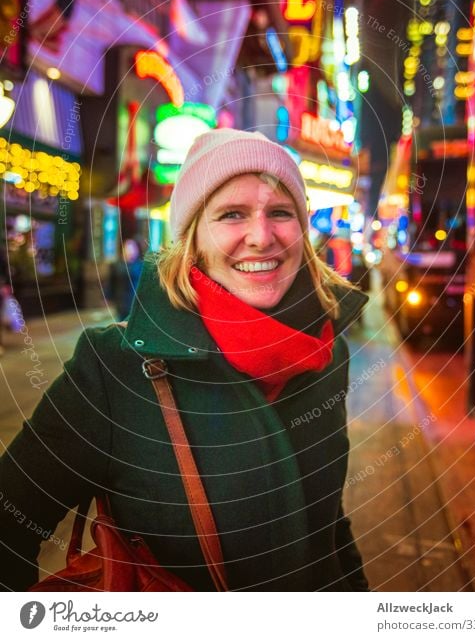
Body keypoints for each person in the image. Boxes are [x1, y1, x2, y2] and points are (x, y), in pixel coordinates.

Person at [0, 129, 369, 592]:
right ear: (192, 239)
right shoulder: (113, 368)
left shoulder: (327, 352)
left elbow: (327, 527)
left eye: (280, 212)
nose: (261, 236)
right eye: (231, 214)